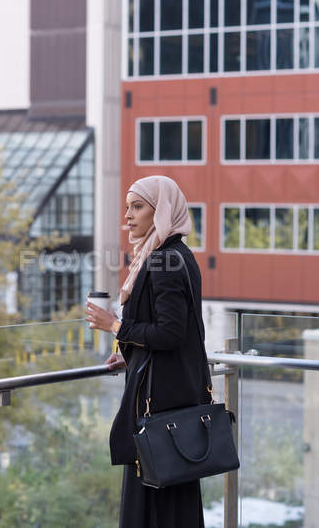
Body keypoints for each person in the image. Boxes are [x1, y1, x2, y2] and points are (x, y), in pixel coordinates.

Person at [85, 175, 210, 528]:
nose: (128, 216)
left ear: (162, 211)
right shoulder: (174, 254)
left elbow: (170, 332)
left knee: (153, 493)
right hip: (173, 396)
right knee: (171, 491)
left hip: (159, 406)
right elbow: (176, 332)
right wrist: (133, 354)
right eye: (127, 207)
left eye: (137, 207)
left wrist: (115, 326)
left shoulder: (162, 261)